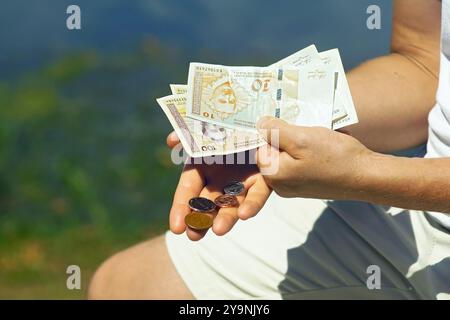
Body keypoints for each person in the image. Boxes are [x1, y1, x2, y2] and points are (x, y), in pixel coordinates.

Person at [88, 0, 450, 299]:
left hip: (407, 192)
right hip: (414, 217)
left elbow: (364, 173)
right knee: (121, 285)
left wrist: (364, 175)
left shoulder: (365, 175)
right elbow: (425, 67)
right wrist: (277, 114)